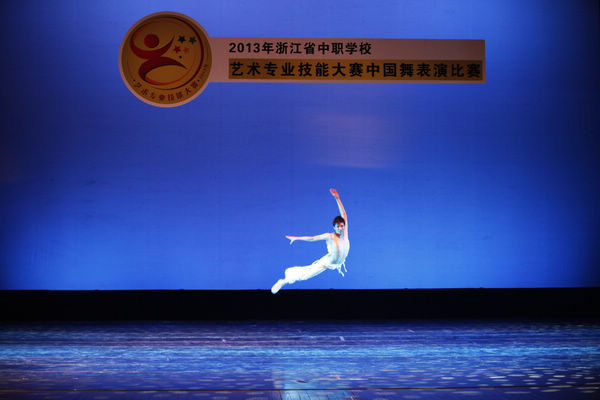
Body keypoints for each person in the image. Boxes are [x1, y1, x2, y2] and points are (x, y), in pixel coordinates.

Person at [271, 188, 349, 294]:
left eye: (342, 226)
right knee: (306, 275)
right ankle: (284, 281)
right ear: (334, 227)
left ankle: (285, 280)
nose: (340, 228)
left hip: (338, 263)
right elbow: (312, 238)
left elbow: (344, 214)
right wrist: (297, 238)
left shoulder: (345, 233)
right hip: (327, 262)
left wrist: (337, 198)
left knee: (309, 272)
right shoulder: (329, 236)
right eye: (338, 226)